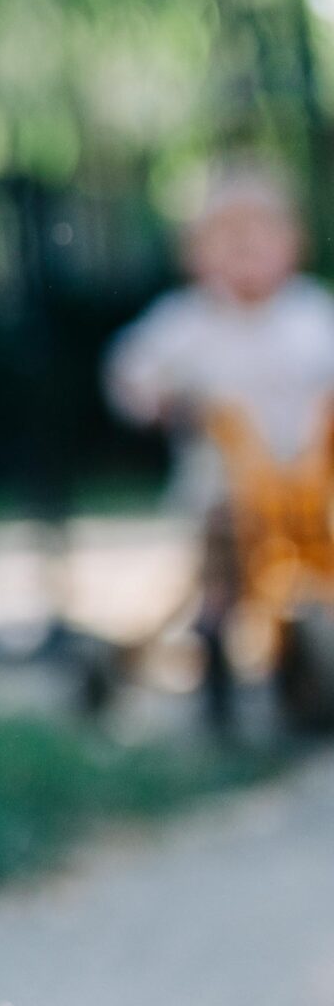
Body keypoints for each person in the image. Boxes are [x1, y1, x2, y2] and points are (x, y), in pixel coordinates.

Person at [104, 161, 334, 727]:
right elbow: (130, 369)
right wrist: (154, 400)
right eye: (225, 238)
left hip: (307, 484)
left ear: (293, 244)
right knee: (220, 578)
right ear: (194, 255)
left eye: (259, 235)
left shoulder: (311, 316)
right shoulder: (187, 323)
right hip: (223, 488)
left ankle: (302, 674)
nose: (244, 250)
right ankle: (214, 672)